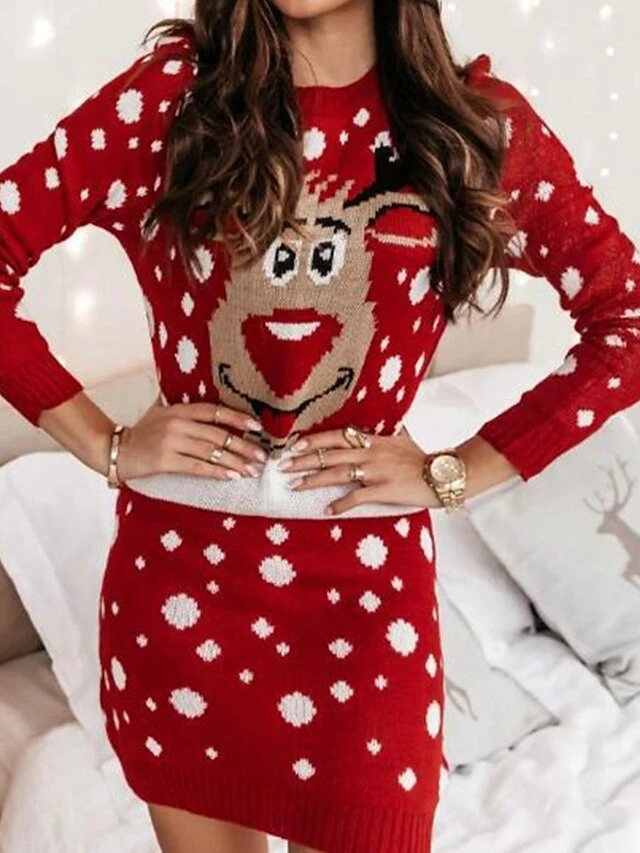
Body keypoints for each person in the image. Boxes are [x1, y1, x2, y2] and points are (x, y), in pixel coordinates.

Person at [1, 0, 639, 850]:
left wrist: (454, 471)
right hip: (181, 601)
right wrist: (102, 441)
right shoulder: (172, 105)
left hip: (369, 614)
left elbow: (624, 321)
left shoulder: (470, 130)